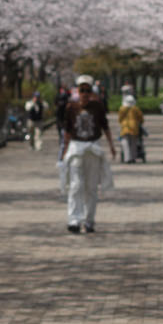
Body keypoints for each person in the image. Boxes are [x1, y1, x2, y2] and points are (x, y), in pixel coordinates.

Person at [59, 73, 116, 232]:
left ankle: (89, 220)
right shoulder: (71, 107)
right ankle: (74, 219)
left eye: (87, 90)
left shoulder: (97, 106)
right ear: (77, 91)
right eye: (81, 90)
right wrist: (64, 150)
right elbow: (68, 130)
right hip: (77, 148)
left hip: (93, 148)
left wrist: (111, 146)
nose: (84, 94)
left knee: (91, 187)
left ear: (91, 92)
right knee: (76, 185)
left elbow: (105, 127)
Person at [116, 91, 144, 164]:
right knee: (133, 144)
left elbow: (120, 119)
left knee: (125, 143)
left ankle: (127, 158)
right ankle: (133, 158)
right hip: (134, 127)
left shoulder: (122, 108)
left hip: (125, 127)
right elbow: (141, 118)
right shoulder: (136, 108)